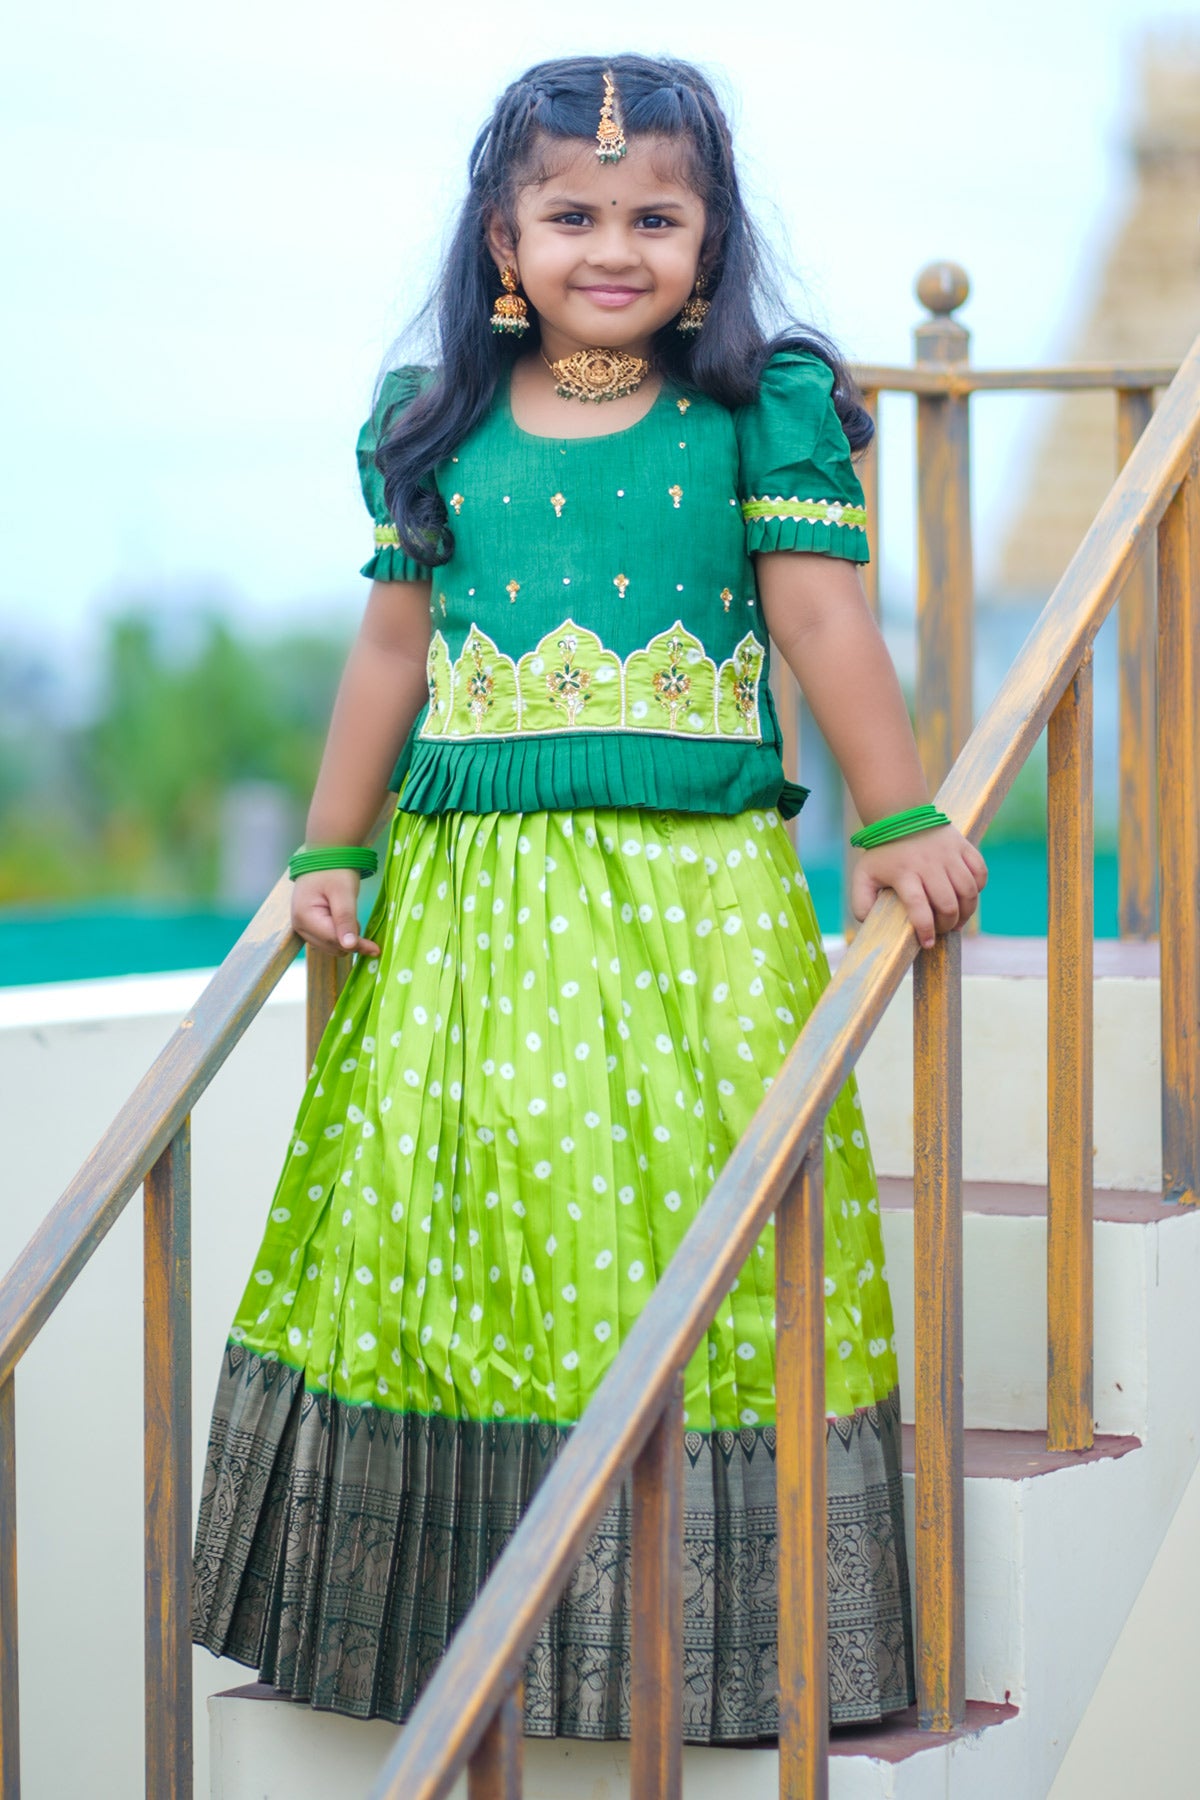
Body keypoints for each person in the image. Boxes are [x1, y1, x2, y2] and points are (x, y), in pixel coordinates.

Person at [191, 53, 986, 1742]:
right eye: (571, 213)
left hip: (695, 908)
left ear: (711, 237)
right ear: (505, 233)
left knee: (697, 1228)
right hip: (471, 920)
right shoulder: (440, 424)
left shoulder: (752, 409)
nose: (610, 244)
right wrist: (331, 849)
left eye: (654, 214)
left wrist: (898, 815)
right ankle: (459, 1628)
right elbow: (394, 651)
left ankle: (717, 1646)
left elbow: (826, 623)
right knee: (473, 1221)